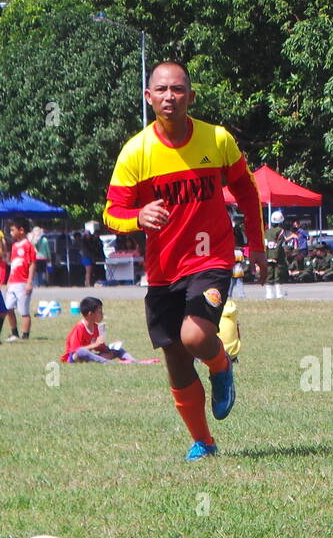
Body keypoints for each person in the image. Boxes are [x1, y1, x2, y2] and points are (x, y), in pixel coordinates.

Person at [103, 60, 263, 461]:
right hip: (162, 272)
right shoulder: (136, 151)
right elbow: (111, 212)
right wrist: (136, 217)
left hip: (211, 259)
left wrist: (257, 245)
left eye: (178, 90)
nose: (170, 97)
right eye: (162, 90)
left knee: (194, 337)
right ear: (148, 97)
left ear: (191, 96)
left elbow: (246, 191)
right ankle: (204, 442)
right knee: (175, 358)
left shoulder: (217, 139)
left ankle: (221, 364)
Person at [61, 297, 134, 363]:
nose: (102, 314)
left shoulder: (96, 328)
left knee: (117, 350)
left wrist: (111, 347)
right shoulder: (79, 328)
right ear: (90, 314)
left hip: (90, 357)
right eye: (100, 312)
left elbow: (100, 348)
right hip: (75, 359)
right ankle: (108, 363)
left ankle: (134, 361)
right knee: (81, 351)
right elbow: (75, 350)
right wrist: (95, 345)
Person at [3, 217, 37, 340]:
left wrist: (29, 282)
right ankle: (14, 333)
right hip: (13, 282)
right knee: (8, 308)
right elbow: (12, 265)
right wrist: (8, 281)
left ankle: (25, 335)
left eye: (12, 230)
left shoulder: (28, 246)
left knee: (23, 311)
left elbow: (32, 264)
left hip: (23, 282)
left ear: (21, 230)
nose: (11, 233)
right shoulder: (14, 246)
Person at [264, 211, 288, 299]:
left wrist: (266, 256)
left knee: (269, 275)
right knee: (278, 275)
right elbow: (279, 244)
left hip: (268, 256)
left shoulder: (267, 232)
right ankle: (279, 294)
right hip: (278, 257)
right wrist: (275, 256)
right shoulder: (281, 231)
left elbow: (265, 245)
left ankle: (269, 295)